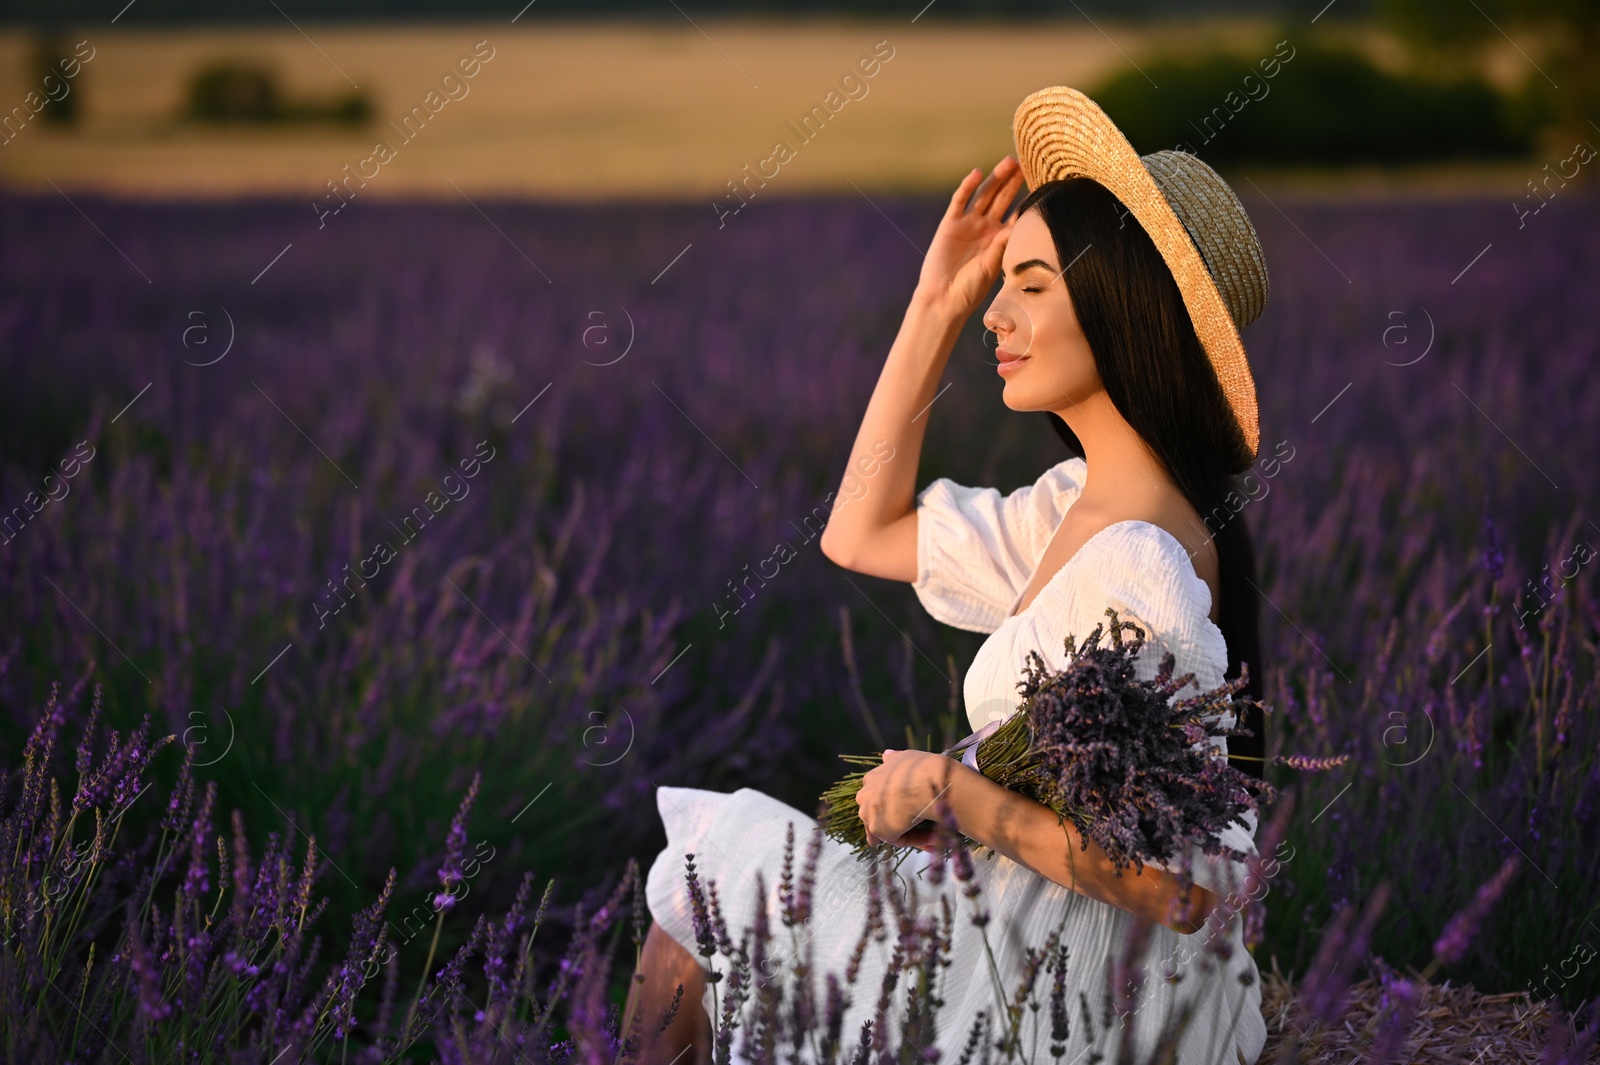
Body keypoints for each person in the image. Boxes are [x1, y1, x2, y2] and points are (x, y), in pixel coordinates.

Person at [625, 86, 1274, 1065]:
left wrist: (954, 794)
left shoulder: (1140, 560)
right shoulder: (1074, 508)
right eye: (996, 286)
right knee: (718, 868)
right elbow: (857, 531)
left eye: (1030, 284)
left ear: (1124, 302)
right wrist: (933, 305)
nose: (995, 315)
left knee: (710, 872)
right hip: (998, 915)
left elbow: (1179, 892)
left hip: (1052, 981)